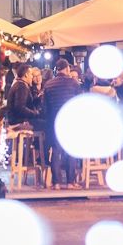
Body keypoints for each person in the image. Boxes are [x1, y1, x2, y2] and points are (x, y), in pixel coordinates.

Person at [41, 60, 82, 188]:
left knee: (56, 151)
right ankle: (70, 182)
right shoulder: (74, 83)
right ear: (67, 69)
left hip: (54, 121)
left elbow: (45, 108)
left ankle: (56, 182)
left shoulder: (48, 84)